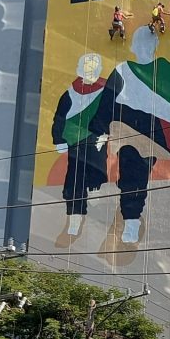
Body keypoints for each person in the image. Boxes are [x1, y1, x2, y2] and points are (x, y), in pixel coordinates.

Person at [90, 26, 170, 248]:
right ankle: (129, 219)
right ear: (134, 47)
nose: (144, 47)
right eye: (140, 43)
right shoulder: (123, 70)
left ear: (155, 46)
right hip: (126, 128)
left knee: (139, 173)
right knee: (129, 170)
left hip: (154, 132)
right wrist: (99, 131)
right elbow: (107, 103)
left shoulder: (166, 70)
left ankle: (132, 219)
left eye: (148, 43)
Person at [51, 52, 109, 244]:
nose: (89, 70)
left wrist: (107, 133)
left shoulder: (106, 89)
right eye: (86, 66)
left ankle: (96, 200)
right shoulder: (70, 92)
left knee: (95, 176)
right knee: (74, 181)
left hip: (97, 140)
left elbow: (115, 114)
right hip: (74, 143)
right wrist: (58, 139)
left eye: (93, 67)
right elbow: (59, 118)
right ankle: (74, 221)